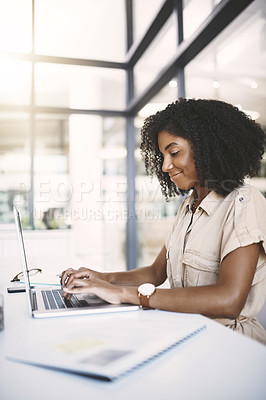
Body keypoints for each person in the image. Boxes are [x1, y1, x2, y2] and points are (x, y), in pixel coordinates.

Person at [61, 98, 266, 344]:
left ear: (207, 148)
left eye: (174, 152)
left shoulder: (243, 202)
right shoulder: (188, 207)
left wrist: (126, 294)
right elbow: (156, 273)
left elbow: (229, 300)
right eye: (162, 155)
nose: (166, 165)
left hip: (231, 345)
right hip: (189, 334)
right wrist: (101, 279)